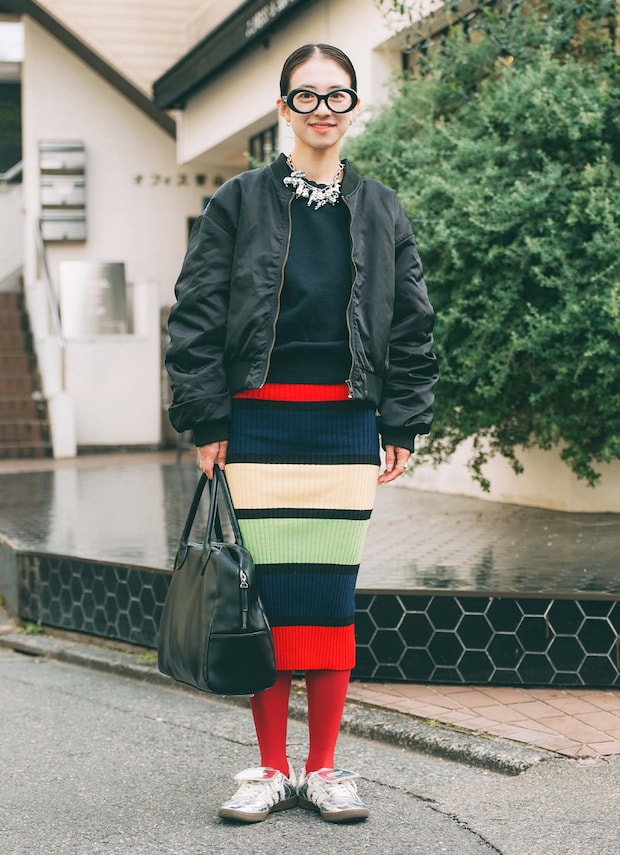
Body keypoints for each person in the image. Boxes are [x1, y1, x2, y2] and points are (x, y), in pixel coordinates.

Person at [165, 43, 438, 824]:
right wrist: (207, 416)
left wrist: (403, 419)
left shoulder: (382, 207)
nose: (323, 109)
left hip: (345, 425)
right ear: (284, 107)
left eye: (337, 95)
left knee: (328, 598)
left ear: (354, 106)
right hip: (258, 423)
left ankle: (322, 768)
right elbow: (196, 313)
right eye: (307, 96)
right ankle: (270, 768)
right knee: (265, 598)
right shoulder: (239, 201)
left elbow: (412, 324)